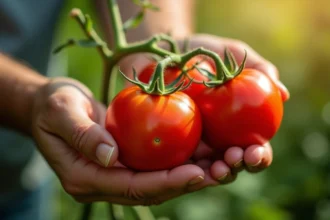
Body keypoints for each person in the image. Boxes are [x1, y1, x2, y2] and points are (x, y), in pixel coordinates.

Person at [0, 0, 289, 219]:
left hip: (21, 172)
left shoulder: (184, 93)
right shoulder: (162, 104)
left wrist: (163, 40)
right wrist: (27, 99)